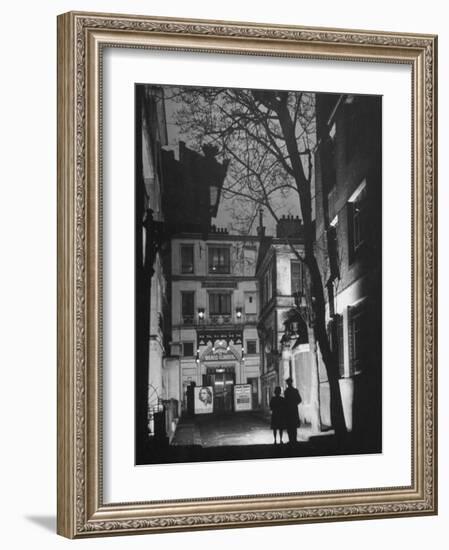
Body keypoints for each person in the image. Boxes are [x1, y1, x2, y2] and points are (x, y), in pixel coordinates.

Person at [284, 377, 302, 444]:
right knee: (294, 426)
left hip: (288, 410)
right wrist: (294, 404)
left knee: (289, 426)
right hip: (294, 410)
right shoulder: (295, 391)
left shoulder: (286, 391)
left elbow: (285, 401)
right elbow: (299, 400)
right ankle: (294, 440)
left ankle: (291, 440)